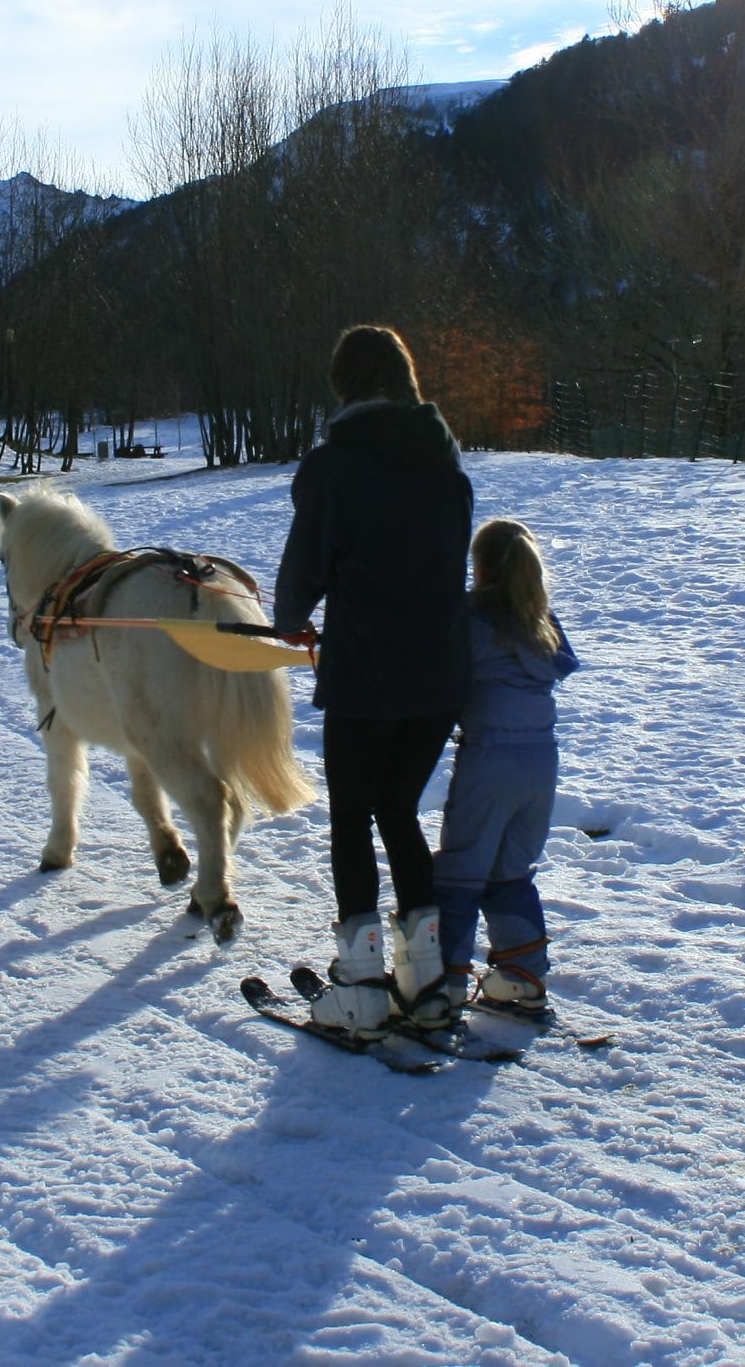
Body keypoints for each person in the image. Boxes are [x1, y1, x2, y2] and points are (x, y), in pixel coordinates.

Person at [274, 324, 473, 1038]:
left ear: (346, 386)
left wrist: (290, 620)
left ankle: (359, 984)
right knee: (399, 811)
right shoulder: (448, 466)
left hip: (366, 676)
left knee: (352, 818)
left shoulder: (334, 466)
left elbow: (303, 570)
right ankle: (426, 977)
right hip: (439, 677)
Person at [433, 519, 578, 1015]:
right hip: (541, 762)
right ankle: (522, 977)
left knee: (461, 869)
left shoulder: (469, 615)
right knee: (511, 872)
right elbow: (559, 666)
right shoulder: (541, 620)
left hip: (489, 758)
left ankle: (443, 983)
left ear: (480, 566)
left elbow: (437, 673)